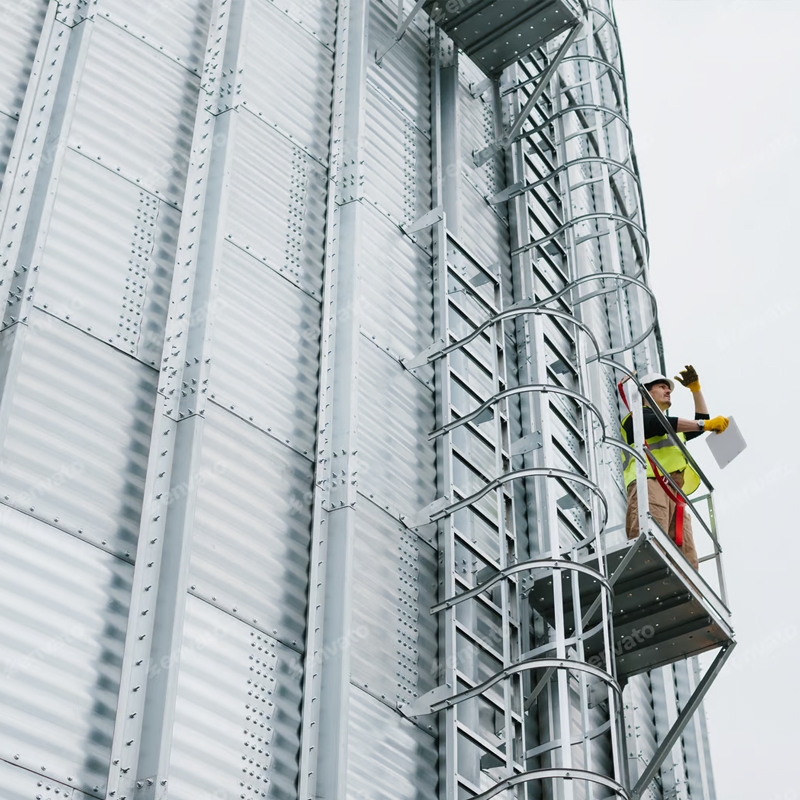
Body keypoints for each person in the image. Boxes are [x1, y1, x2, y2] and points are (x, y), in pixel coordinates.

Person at [620, 365, 729, 569]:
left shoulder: (672, 427)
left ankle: (691, 592)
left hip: (675, 494)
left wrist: (695, 390)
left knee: (687, 557)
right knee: (651, 541)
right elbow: (662, 424)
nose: (668, 391)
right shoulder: (635, 419)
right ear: (645, 391)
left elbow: (701, 422)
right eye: (662, 387)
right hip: (650, 485)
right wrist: (704, 426)